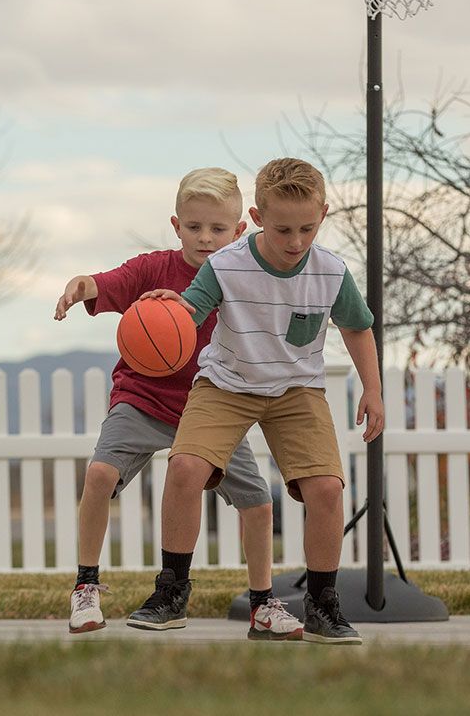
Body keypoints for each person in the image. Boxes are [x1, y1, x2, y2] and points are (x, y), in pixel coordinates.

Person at [136, 157, 385, 645]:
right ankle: (170, 593)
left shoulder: (331, 271)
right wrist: (171, 310)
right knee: (184, 467)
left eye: (307, 229)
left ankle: (323, 604)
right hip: (227, 383)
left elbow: (357, 328)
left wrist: (373, 390)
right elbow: (190, 311)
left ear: (324, 214)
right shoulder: (225, 265)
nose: (295, 242)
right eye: (283, 229)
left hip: (296, 389)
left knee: (328, 489)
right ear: (256, 217)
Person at [53, 167, 302, 641]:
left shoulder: (240, 278)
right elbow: (103, 283)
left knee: (257, 503)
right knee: (99, 474)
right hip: (143, 397)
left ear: (239, 230)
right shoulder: (153, 269)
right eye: (194, 227)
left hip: (212, 406)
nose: (205, 238)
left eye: (218, 229)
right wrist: (78, 286)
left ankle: (263, 604)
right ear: (176, 225)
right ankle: (86, 587)